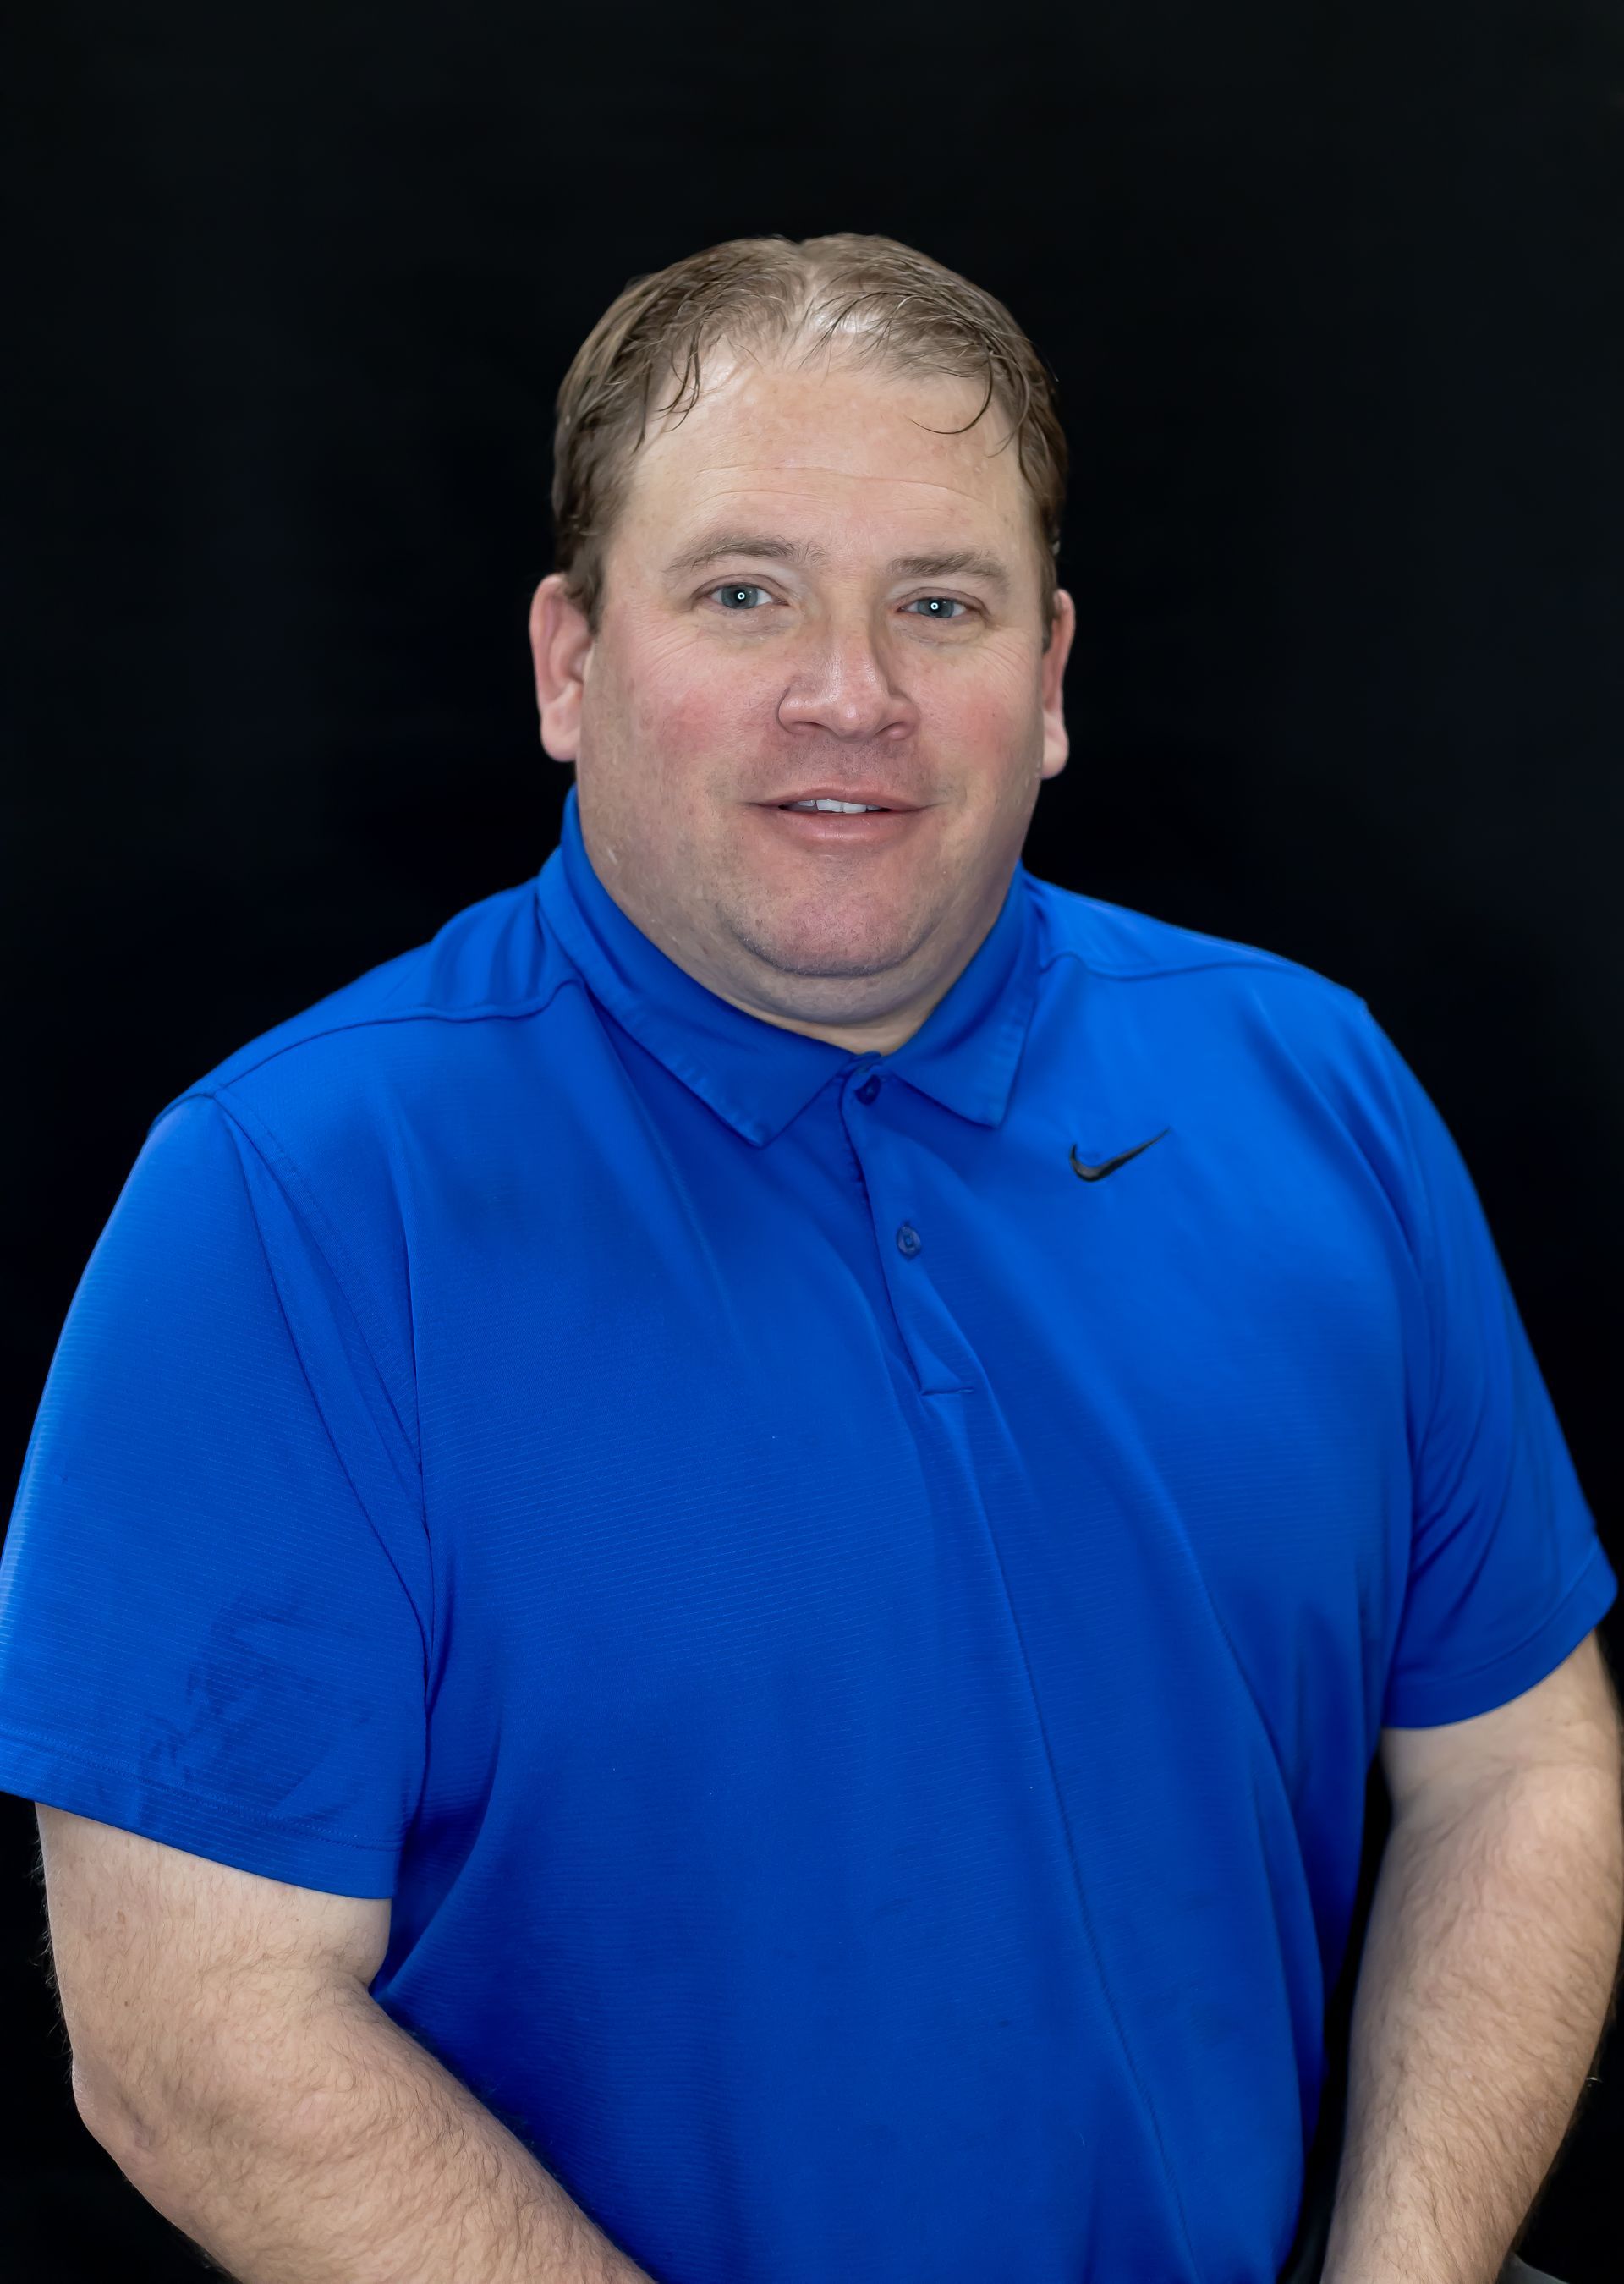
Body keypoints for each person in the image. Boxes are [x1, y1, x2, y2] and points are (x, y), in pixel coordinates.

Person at [3, 233, 1619, 2284]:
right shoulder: (289, 1201)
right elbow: (192, 2037)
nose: (845, 694)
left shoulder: (1313, 1083)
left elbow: (1516, 1759)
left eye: (935, 605)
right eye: (744, 590)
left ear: (1043, 682)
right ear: (570, 666)